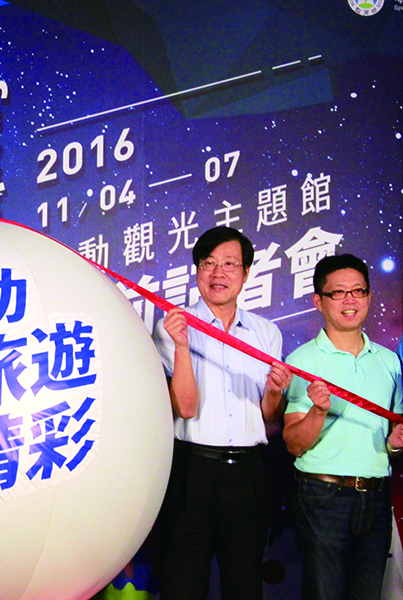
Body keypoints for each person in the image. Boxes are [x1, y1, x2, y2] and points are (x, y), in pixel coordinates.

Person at [152, 226, 292, 600]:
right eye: (208, 263)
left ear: (245, 273)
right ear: (197, 270)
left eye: (229, 264)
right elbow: (185, 407)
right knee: (183, 584)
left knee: (244, 585)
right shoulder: (173, 326)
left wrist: (275, 391)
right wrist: (183, 346)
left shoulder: (266, 332)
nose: (218, 273)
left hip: (249, 473)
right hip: (192, 470)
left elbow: (270, 416)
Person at [283, 253, 403, 600]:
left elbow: (392, 442)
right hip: (324, 497)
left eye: (358, 291)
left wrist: (395, 443)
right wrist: (318, 411)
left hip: (376, 497)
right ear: (318, 301)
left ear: (368, 296)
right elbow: (294, 443)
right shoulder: (302, 361)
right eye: (338, 292)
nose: (350, 300)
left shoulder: (390, 362)